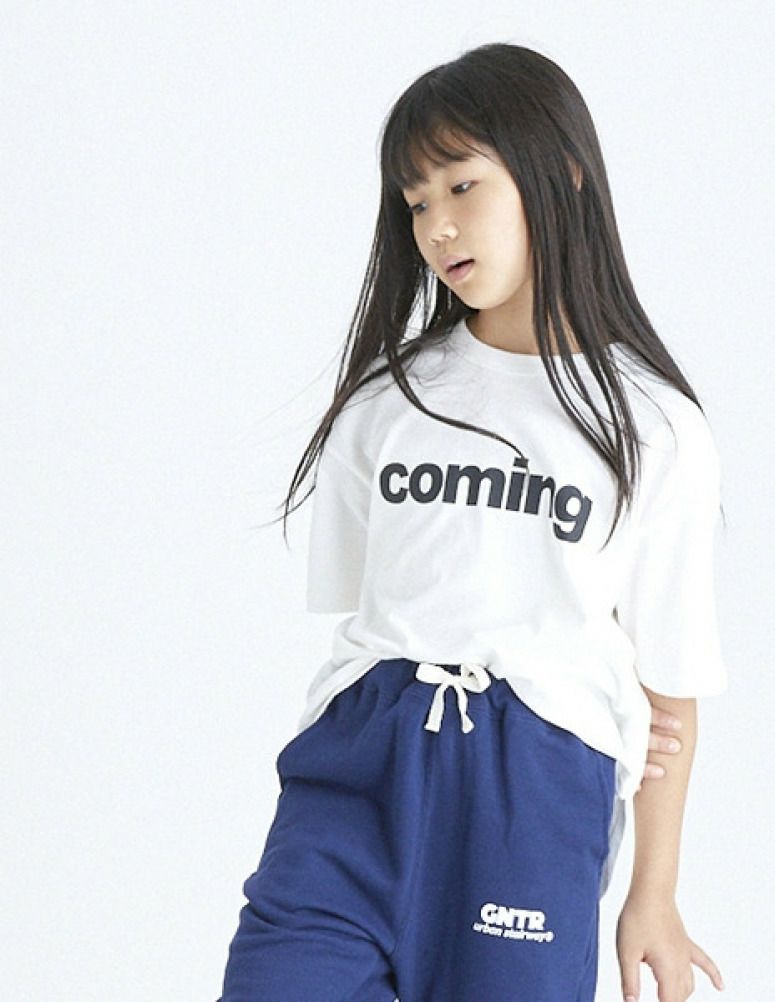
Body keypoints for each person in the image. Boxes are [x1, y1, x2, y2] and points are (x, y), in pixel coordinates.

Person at [217, 41, 728, 1002]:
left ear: (561, 172)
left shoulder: (652, 426)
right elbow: (374, 613)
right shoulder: (388, 399)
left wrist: (652, 895)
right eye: (415, 202)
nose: (438, 226)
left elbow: (672, 683)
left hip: (532, 794)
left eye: (462, 185)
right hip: (359, 770)